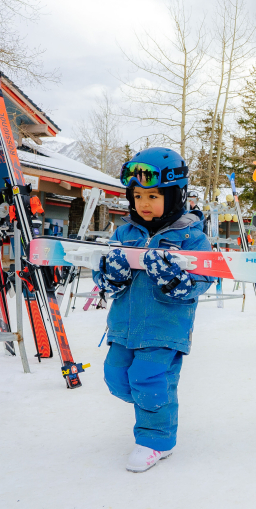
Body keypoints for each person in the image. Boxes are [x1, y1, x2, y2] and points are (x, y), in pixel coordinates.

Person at [92, 148, 214, 473]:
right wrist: (110, 273)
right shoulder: (124, 233)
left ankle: (155, 441)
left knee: (147, 378)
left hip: (165, 328)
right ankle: (157, 400)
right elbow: (101, 275)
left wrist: (175, 279)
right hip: (123, 326)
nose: (144, 203)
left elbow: (204, 278)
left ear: (175, 195)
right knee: (116, 378)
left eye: (154, 195)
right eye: (138, 195)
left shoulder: (191, 237)